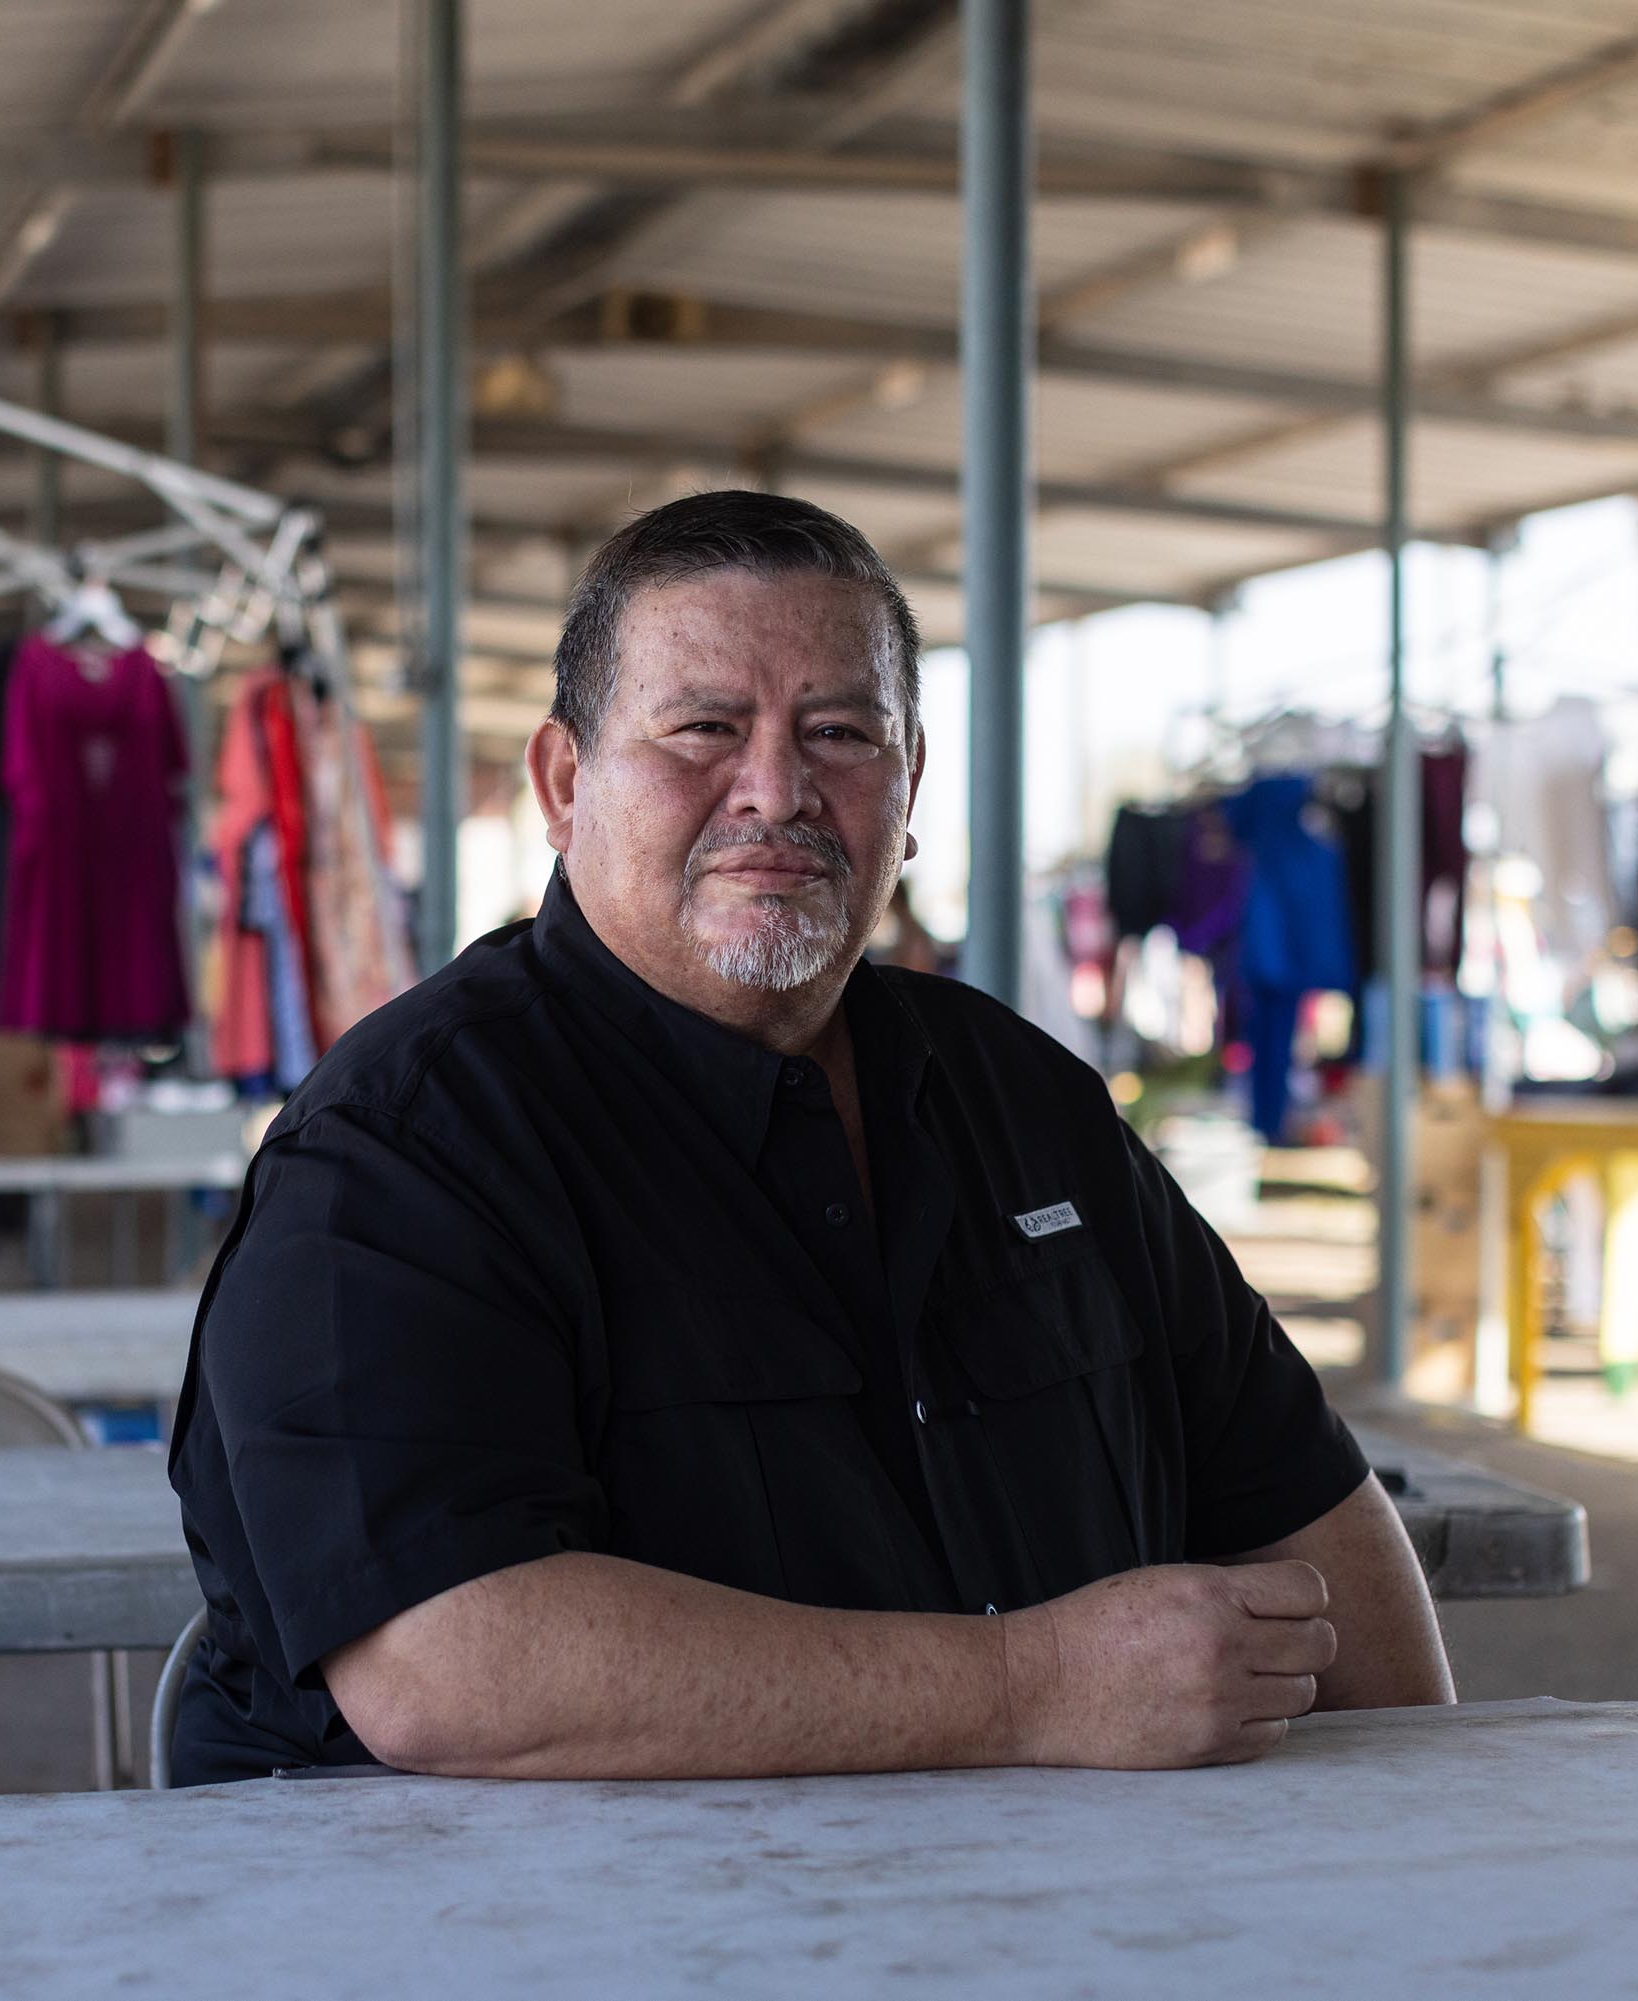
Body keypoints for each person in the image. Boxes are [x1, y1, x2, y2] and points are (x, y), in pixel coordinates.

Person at [167, 491, 1453, 1786]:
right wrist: (1026, 1688)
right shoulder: (403, 1146)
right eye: (704, 730)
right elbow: (450, 1663)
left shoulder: (1023, 1095)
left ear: (910, 788)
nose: (775, 791)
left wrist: (1413, 1832)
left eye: (838, 732)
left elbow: (1306, 1514)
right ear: (565, 782)